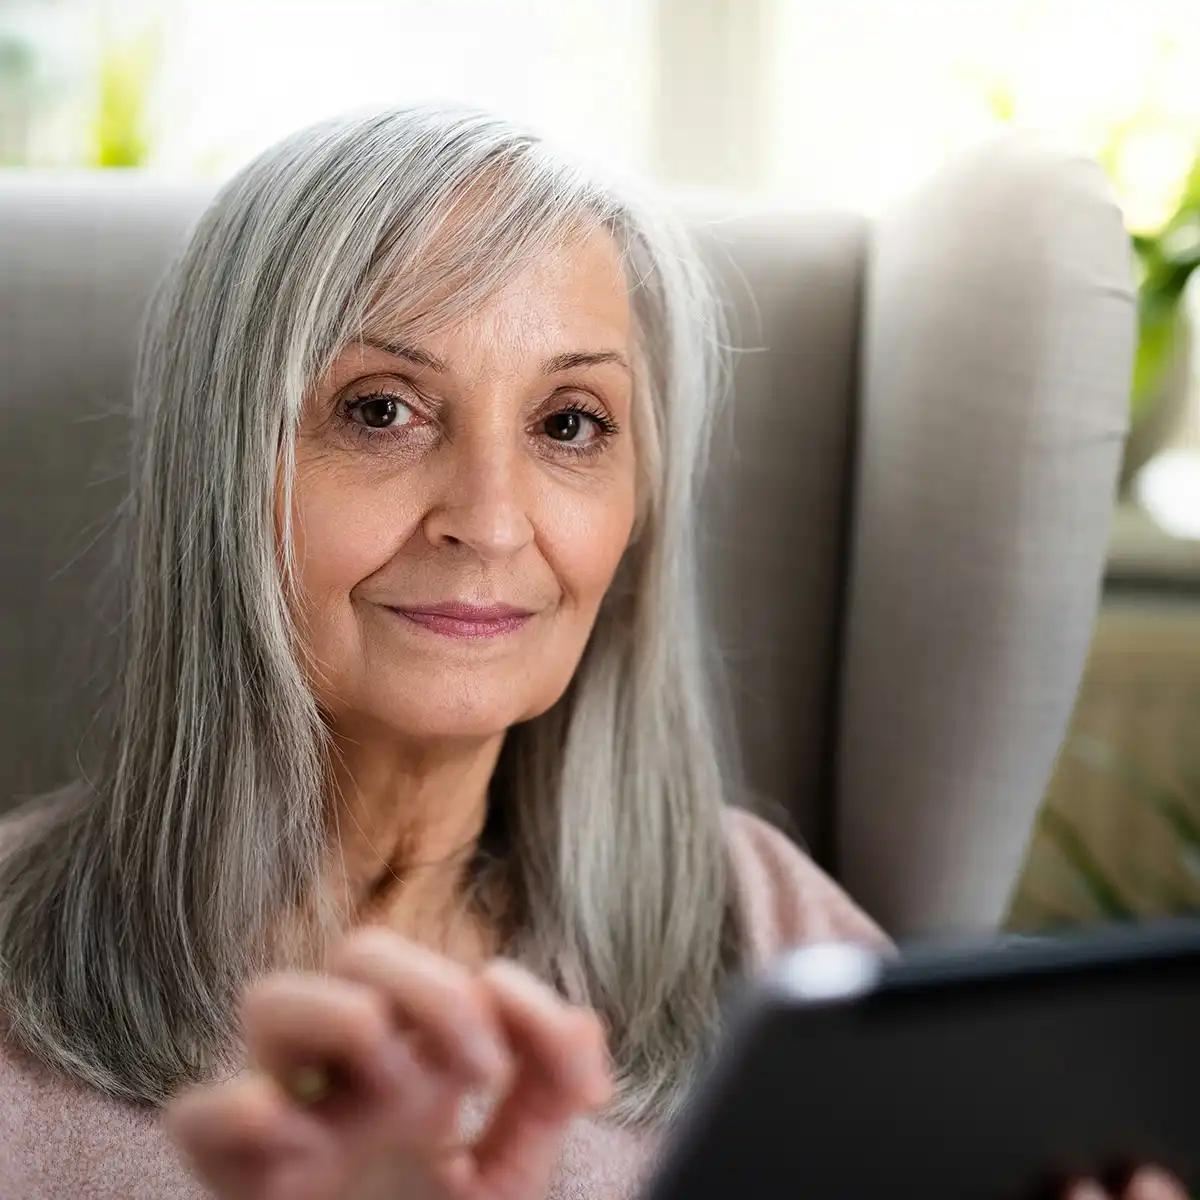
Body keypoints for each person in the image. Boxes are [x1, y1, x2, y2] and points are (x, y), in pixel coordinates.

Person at [0, 105, 1184, 1200]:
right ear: (222, 471)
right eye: (381, 409)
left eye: (570, 425)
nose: (494, 519)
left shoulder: (762, 927)